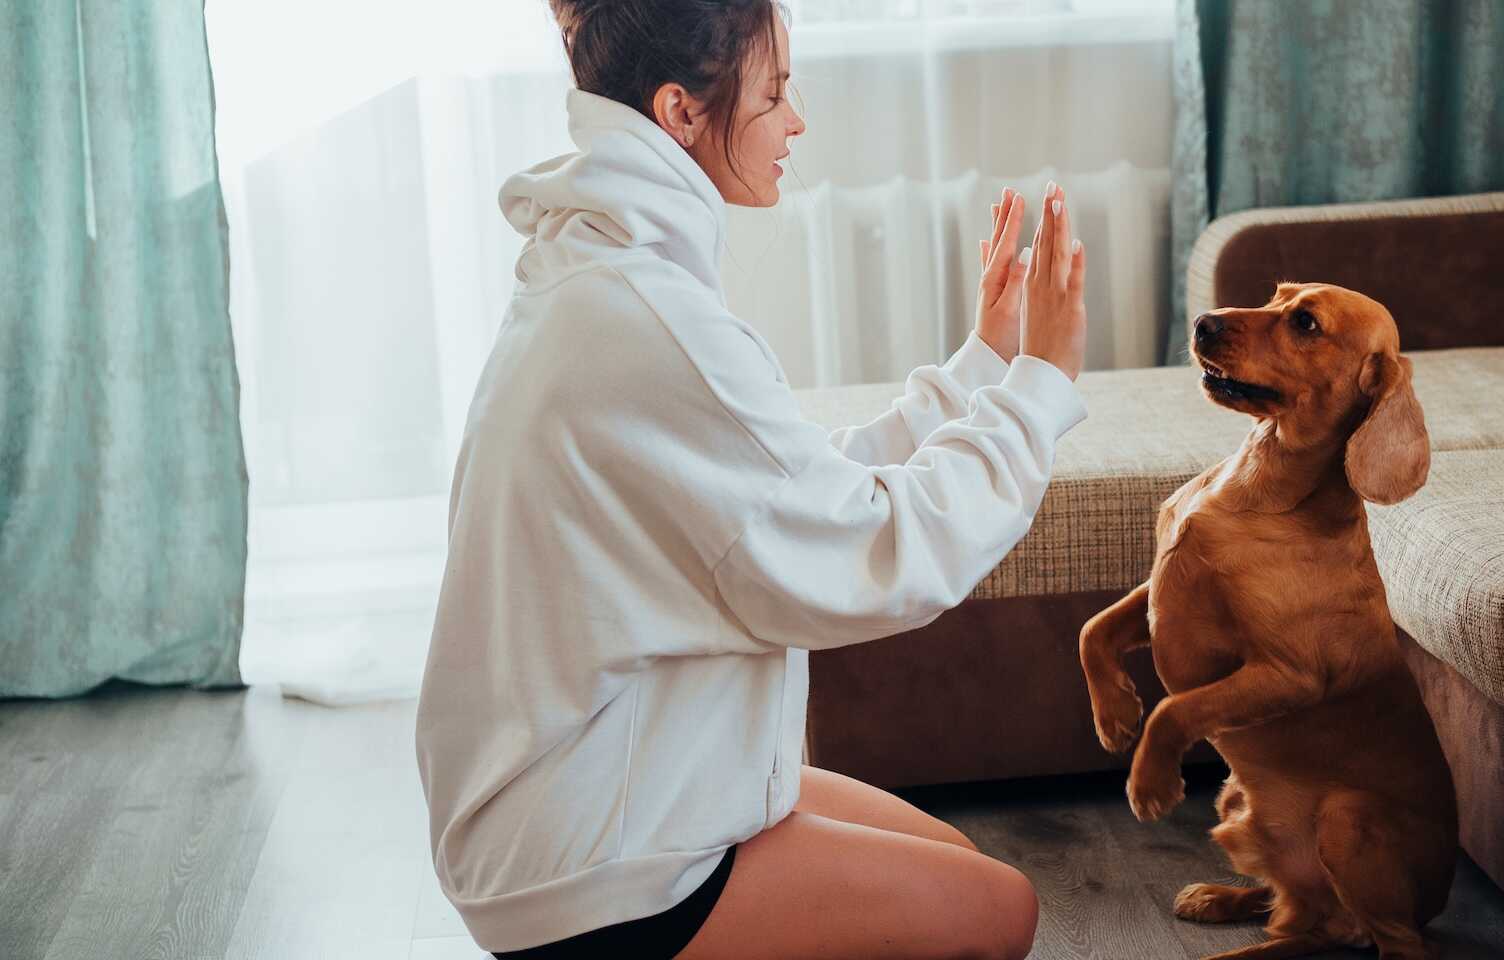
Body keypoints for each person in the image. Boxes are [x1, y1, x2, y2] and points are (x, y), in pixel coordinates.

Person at [413, 2, 1091, 958]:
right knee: (999, 915)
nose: (796, 120)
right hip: (586, 855)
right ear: (681, 110)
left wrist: (985, 365)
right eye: (774, 92)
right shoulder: (645, 317)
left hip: (606, 779)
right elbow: (871, 550)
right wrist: (1041, 389)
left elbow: (786, 493)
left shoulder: (611, 272)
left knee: (956, 866)